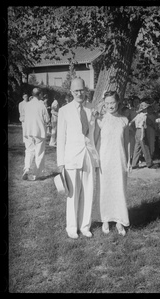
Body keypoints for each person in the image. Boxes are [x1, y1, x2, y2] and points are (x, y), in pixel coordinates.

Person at [57, 77, 99, 239]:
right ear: (71, 92)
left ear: (85, 90)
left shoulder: (91, 109)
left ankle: (85, 226)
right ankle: (72, 227)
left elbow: (94, 134)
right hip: (71, 158)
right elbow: (61, 138)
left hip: (88, 155)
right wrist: (61, 163)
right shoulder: (64, 111)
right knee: (73, 194)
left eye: (81, 90)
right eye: (76, 91)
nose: (79, 93)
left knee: (88, 192)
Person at [94, 91, 131, 236]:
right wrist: (96, 159)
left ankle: (120, 221)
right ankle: (105, 219)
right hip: (104, 160)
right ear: (104, 103)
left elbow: (127, 142)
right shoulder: (100, 119)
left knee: (119, 189)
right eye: (107, 103)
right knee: (105, 189)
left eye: (112, 102)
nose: (110, 105)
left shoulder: (124, 120)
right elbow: (96, 141)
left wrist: (128, 161)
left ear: (118, 102)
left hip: (119, 159)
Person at [22, 88, 50, 180]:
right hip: (39, 131)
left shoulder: (26, 105)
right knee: (39, 153)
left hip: (28, 131)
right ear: (40, 94)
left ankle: (26, 169)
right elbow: (47, 119)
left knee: (29, 151)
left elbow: (23, 117)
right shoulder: (41, 105)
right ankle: (35, 175)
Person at [130, 102, 158, 169]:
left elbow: (132, 121)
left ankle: (134, 164)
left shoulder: (138, 115)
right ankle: (149, 164)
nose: (147, 110)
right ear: (144, 109)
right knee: (145, 147)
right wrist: (142, 135)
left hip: (137, 131)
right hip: (142, 131)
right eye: (146, 108)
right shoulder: (144, 116)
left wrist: (130, 125)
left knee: (137, 147)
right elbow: (142, 125)